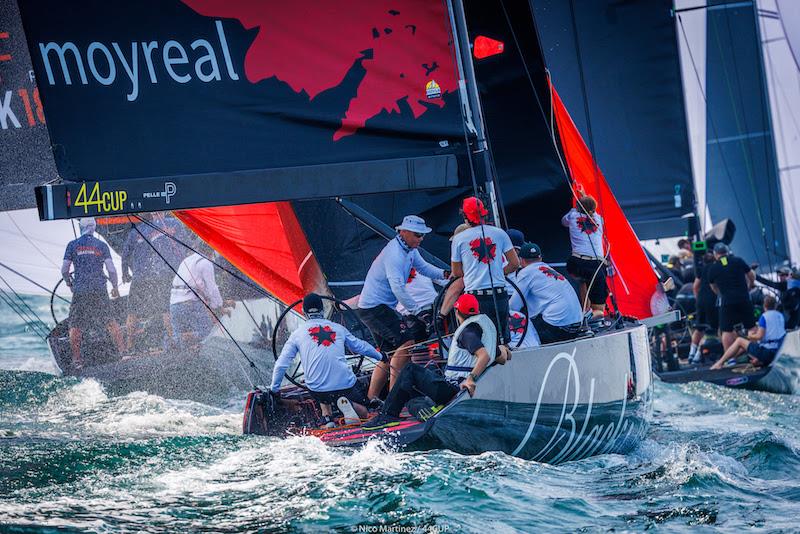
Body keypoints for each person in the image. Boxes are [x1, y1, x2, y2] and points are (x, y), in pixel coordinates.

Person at [364, 293, 509, 427]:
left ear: (457, 312)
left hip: (454, 390)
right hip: (455, 388)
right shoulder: (482, 331)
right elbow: (503, 358)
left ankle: (387, 416)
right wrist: (501, 348)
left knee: (410, 369)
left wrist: (471, 379)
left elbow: (484, 356)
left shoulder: (468, 332)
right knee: (413, 395)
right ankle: (427, 410)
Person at [357, 215, 448, 401]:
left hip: (375, 307)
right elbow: (397, 287)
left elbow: (425, 268)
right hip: (374, 307)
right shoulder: (395, 253)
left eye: (423, 235)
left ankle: (372, 400)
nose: (421, 239)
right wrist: (418, 311)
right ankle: (393, 399)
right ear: (403, 232)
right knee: (406, 344)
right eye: (417, 235)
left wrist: (446, 274)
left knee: (388, 355)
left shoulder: (410, 249)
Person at [271, 293, 385, 427]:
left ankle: (328, 419)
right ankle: (348, 404)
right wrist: (382, 356)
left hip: (318, 389)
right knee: (365, 413)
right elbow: (361, 346)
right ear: (322, 310)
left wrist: (274, 389)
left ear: (304, 312)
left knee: (321, 391)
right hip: (345, 385)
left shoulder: (297, 334)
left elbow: (281, 365)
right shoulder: (338, 328)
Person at [450, 197, 519, 345]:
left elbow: (456, 273)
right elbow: (514, 263)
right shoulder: (500, 233)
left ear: (465, 216)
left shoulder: (459, 239)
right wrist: (498, 273)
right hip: (499, 294)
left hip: (475, 297)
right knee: (502, 341)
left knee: (479, 342)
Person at [61, 217, 124, 367]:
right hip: (99, 290)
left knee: (75, 325)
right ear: (94, 228)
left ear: (81, 227)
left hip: (80, 291)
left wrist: (70, 283)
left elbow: (64, 270)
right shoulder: (101, 245)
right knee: (110, 321)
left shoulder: (72, 245)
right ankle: (123, 353)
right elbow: (111, 270)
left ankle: (77, 361)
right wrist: (115, 287)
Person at [509, 242, 583, 344]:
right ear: (540, 259)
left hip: (558, 328)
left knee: (520, 326)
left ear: (521, 260)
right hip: (577, 325)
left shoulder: (526, 273)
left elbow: (514, 306)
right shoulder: (548, 269)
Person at [169, 240, 231, 349]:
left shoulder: (186, 260)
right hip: (190, 303)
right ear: (212, 252)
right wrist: (220, 307)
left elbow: (200, 289)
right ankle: (187, 337)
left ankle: (178, 343)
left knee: (179, 342)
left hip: (173, 304)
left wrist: (218, 302)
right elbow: (212, 289)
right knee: (207, 330)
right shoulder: (206, 262)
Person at [710, 295, 785, 370]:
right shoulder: (781, 316)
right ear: (775, 306)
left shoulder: (764, 317)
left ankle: (720, 363)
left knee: (739, 341)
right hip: (778, 351)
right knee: (748, 345)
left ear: (764, 305)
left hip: (767, 352)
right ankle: (734, 360)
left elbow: (760, 336)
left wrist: (749, 336)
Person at [562, 195, 607, 317]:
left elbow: (563, 222)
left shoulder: (572, 216)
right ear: (593, 210)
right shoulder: (599, 220)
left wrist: (575, 207)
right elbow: (591, 210)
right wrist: (583, 197)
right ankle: (590, 315)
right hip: (596, 264)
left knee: (583, 281)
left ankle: (585, 312)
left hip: (576, 263)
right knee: (600, 308)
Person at [706, 243, 756, 351]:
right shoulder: (738, 261)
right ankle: (754, 354)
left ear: (715, 254)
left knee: (726, 330)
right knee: (751, 326)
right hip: (744, 298)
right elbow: (751, 274)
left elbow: (713, 287)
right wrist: (750, 286)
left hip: (726, 301)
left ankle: (730, 359)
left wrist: (720, 294)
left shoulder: (713, 268)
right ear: (727, 252)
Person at [689, 252, 720, 363]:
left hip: (701, 300)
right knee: (713, 329)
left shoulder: (701, 270)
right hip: (713, 301)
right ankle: (699, 355)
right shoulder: (717, 268)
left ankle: (691, 354)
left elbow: (695, 287)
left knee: (699, 328)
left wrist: (699, 299)